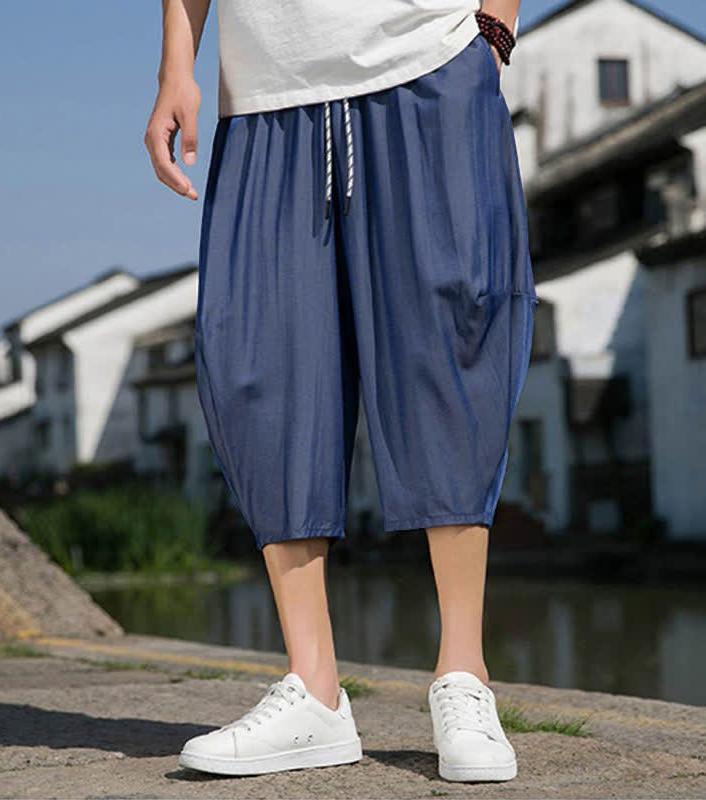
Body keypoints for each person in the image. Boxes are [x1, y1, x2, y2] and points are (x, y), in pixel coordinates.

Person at [145, 0, 536, 784]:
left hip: (425, 62)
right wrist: (176, 66)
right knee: (260, 361)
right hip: (265, 94)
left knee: (447, 340)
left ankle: (463, 674)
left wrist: (494, 28)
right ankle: (314, 687)